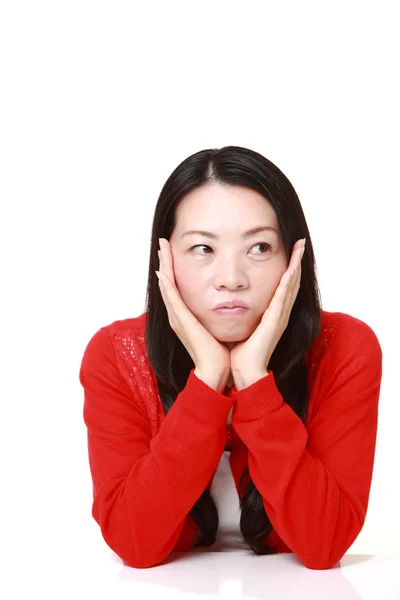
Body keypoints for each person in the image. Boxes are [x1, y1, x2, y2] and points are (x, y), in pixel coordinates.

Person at [79, 145, 383, 570]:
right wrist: (207, 378)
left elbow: (325, 545)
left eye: (259, 247)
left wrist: (253, 378)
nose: (231, 280)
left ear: (294, 256)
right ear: (164, 258)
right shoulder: (116, 354)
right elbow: (134, 542)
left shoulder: (346, 347)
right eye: (203, 249)